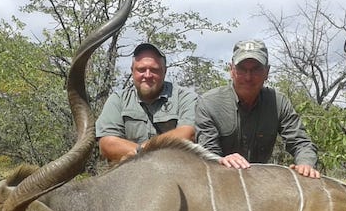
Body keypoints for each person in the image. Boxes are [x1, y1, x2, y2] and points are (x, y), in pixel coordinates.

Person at [195, 39, 321, 178]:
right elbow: (207, 153)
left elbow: (301, 143)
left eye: (256, 69)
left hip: (260, 183)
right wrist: (221, 160)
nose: (248, 77)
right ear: (231, 70)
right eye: (242, 69)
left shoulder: (278, 102)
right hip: (221, 179)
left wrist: (305, 164)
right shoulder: (209, 103)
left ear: (267, 72)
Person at [96, 43, 198, 163]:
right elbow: (107, 143)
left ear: (164, 71)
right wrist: (143, 153)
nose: (148, 75)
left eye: (154, 70)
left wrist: (143, 151)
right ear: (132, 71)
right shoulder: (118, 100)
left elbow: (188, 133)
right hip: (131, 173)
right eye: (141, 70)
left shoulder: (185, 97)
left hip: (175, 170)